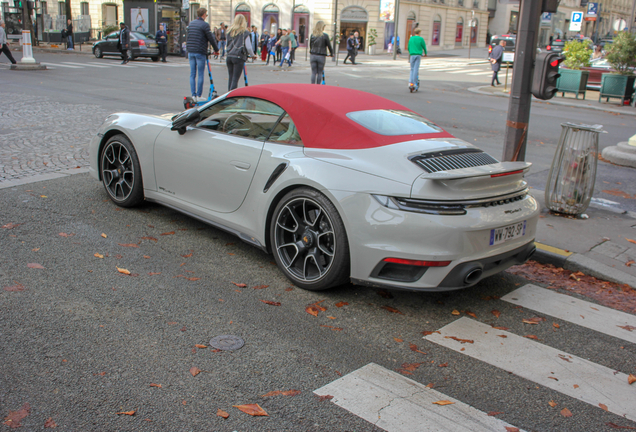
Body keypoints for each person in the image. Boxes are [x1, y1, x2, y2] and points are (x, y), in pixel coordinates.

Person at [186, 8, 219, 102]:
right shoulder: (205, 25)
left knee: (192, 74)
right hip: (200, 51)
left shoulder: (191, 24)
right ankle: (199, 95)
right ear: (204, 14)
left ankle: (193, 95)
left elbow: (189, 37)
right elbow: (211, 38)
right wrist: (216, 49)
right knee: (200, 74)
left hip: (191, 51)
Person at [225, 14, 255, 91]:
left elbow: (227, 43)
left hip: (229, 55)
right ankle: (232, 96)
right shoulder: (245, 33)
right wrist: (252, 55)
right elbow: (248, 46)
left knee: (231, 77)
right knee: (235, 78)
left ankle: (228, 94)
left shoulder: (229, 32)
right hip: (239, 56)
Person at [407, 27, 427, 92]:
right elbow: (424, 47)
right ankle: (415, 82)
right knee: (416, 69)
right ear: (419, 32)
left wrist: (410, 52)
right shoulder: (421, 39)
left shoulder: (411, 38)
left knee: (412, 69)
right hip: (418, 55)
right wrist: (425, 53)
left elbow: (408, 46)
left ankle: (411, 82)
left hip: (412, 55)